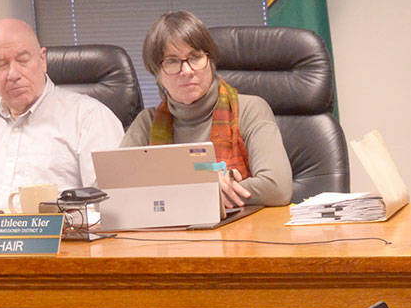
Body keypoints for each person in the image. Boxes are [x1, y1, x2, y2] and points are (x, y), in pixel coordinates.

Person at [0, 18, 123, 209]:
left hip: (65, 237)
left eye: (23, 60)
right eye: (1, 65)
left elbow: (111, 204)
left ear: (42, 60)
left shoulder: (90, 118)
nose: (13, 74)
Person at [122, 11, 292, 207]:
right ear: (157, 74)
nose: (186, 71)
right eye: (172, 61)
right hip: (169, 236)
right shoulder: (147, 123)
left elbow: (277, 187)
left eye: (195, 57)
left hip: (241, 234)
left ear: (210, 62)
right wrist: (206, 188)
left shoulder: (249, 109)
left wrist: (172, 195)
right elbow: (106, 193)